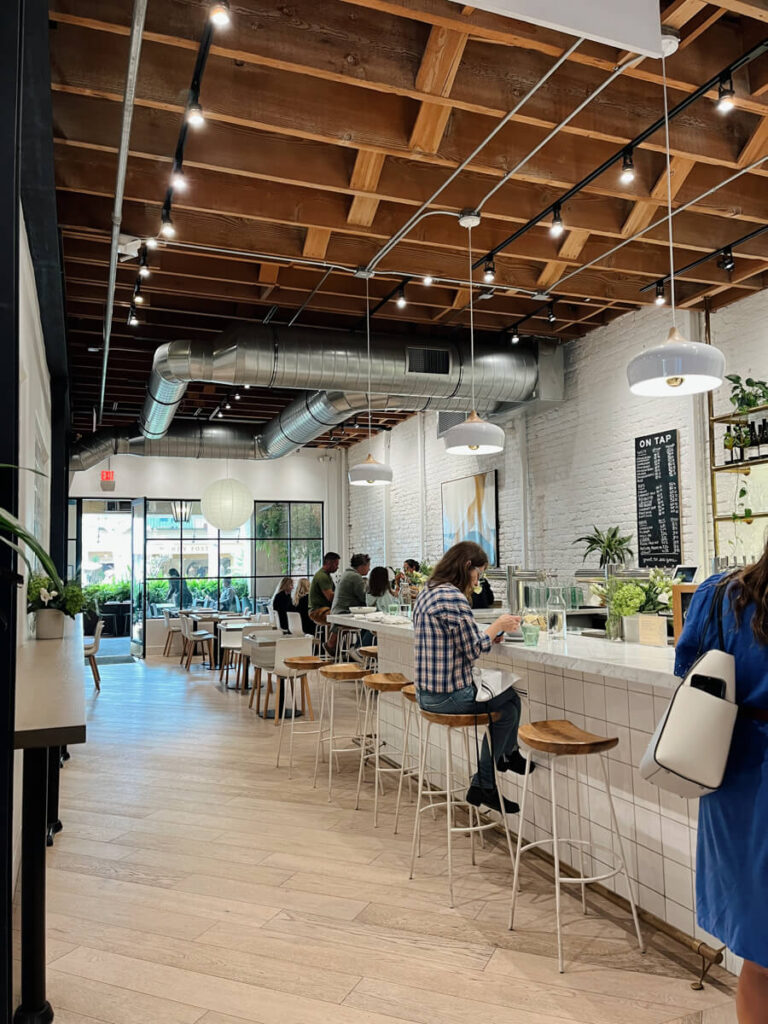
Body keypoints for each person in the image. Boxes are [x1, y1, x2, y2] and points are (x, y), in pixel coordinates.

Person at [675, 540, 768, 1023]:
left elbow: (689, 673)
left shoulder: (724, 596)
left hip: (740, 775)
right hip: (748, 781)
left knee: (760, 954)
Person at [413, 541, 527, 816]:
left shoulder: (428, 592)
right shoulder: (453, 598)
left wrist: (488, 632)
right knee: (510, 701)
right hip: (449, 698)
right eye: (478, 573)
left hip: (426, 695)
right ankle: (490, 775)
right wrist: (498, 626)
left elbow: (461, 639)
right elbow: (474, 649)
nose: (478, 580)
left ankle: (501, 764)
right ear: (467, 567)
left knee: (508, 703)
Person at [309, 551, 340, 623]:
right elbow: (330, 597)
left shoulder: (325, 575)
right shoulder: (323, 576)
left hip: (320, 609)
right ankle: (334, 634)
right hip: (318, 611)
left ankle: (335, 633)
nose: (337, 567)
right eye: (336, 564)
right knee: (342, 619)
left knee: (343, 618)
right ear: (329, 563)